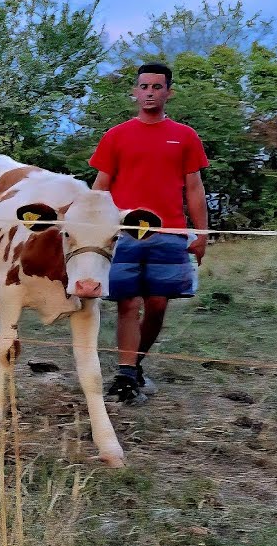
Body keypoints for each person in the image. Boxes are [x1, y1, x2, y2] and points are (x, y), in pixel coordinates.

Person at [89, 62, 210, 404]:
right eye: (144, 86)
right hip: (123, 232)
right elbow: (100, 186)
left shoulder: (185, 136)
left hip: (170, 232)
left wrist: (201, 234)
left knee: (157, 305)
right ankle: (126, 375)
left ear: (168, 92)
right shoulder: (116, 135)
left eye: (157, 87)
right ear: (135, 91)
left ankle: (135, 365)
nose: (150, 93)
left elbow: (195, 188)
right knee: (127, 303)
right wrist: (92, 227)